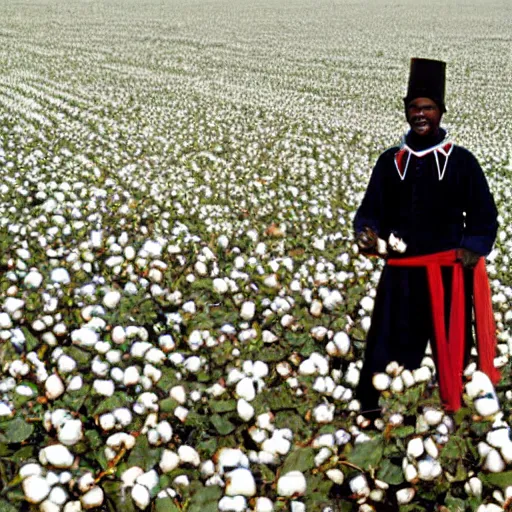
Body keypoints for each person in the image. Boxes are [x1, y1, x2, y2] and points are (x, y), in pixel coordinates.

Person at [354, 58, 500, 415]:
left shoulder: (462, 162)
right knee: (389, 346)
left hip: (448, 275)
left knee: (451, 349)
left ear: (441, 112)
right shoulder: (390, 163)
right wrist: (367, 234)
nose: (421, 115)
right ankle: (377, 414)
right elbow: (370, 210)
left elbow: (484, 216)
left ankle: (454, 409)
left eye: (429, 108)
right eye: (414, 108)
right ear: (405, 110)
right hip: (400, 275)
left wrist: (472, 248)